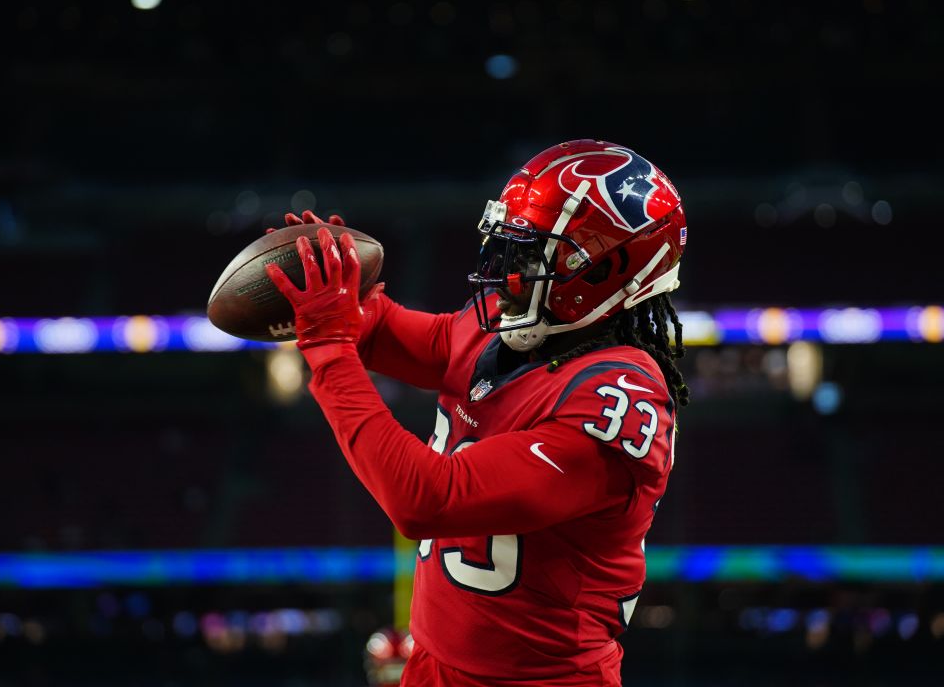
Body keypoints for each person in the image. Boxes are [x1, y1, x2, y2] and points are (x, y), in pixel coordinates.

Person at [265, 139, 689, 686]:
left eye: (530, 253)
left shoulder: (618, 400)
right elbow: (404, 335)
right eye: (505, 245)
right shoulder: (515, 329)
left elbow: (426, 499)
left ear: (607, 270)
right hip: (433, 666)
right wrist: (338, 285)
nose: (506, 271)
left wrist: (329, 347)